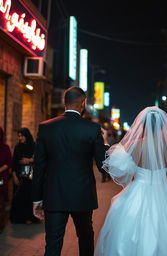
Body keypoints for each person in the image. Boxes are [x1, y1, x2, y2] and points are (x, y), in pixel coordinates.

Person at [94, 106, 167, 256]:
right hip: (164, 193)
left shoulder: (134, 145)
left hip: (137, 192)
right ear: (163, 126)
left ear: (143, 125)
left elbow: (119, 170)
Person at [32, 86, 108, 256]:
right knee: (85, 237)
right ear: (83, 104)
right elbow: (103, 166)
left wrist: (36, 198)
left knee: (53, 243)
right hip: (82, 194)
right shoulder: (92, 129)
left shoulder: (46, 127)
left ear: (63, 102)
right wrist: (105, 145)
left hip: (54, 194)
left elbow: (39, 166)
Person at [10, 128, 38, 224]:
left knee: (29, 197)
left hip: (30, 177)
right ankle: (20, 218)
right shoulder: (17, 147)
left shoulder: (34, 146)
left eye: (22, 136)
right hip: (19, 176)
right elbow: (13, 163)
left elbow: (40, 159)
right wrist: (14, 176)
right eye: (19, 136)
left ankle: (29, 217)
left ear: (27, 136)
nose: (20, 138)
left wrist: (29, 160)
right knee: (19, 197)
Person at [0, 127, 12, 203]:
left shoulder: (5, 148)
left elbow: (9, 162)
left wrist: (0, 170)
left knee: (1, 194)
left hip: (1, 177)